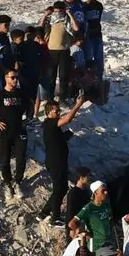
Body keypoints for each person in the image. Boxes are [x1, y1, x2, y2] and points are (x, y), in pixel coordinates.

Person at [40, 95, 86, 224]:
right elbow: (68, 119)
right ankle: (55, 217)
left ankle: (45, 211)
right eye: (56, 111)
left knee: (62, 188)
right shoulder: (50, 124)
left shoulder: (53, 127)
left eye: (59, 110)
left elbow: (58, 139)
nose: (59, 113)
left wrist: (69, 133)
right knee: (58, 189)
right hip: (56, 162)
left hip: (59, 161)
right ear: (49, 113)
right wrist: (77, 105)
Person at [0, 67, 31, 189]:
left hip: (19, 129)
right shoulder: (0, 95)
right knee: (5, 160)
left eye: (17, 78)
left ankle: (18, 181)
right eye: (13, 77)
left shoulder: (20, 93)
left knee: (21, 158)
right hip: (4, 131)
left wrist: (27, 118)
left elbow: (29, 102)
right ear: (6, 78)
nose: (15, 80)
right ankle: (7, 182)